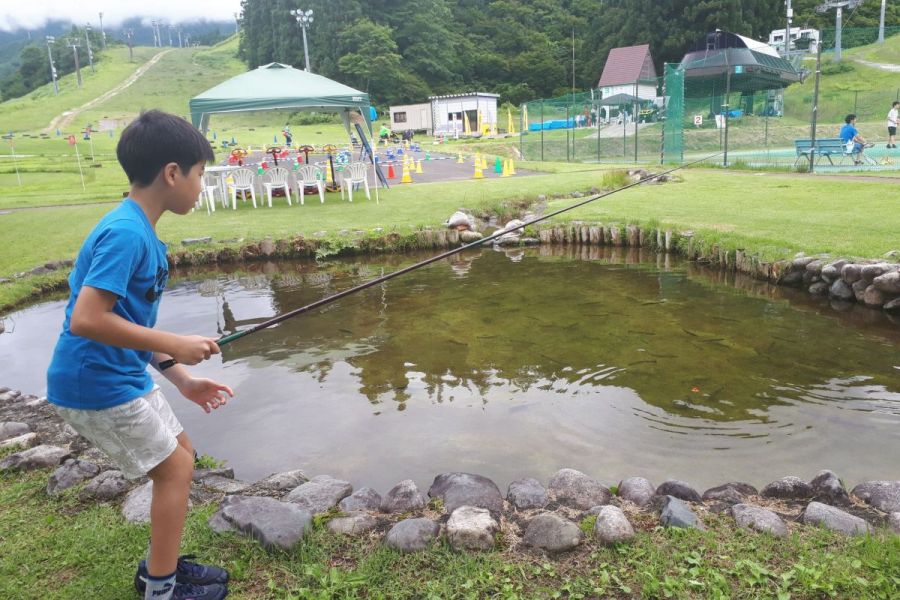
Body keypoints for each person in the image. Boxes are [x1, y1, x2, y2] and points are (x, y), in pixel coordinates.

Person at [46, 110, 232, 600]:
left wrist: (182, 377)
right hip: (95, 383)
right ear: (173, 173)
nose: (200, 186)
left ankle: (161, 565)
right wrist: (174, 341)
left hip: (122, 375)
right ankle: (162, 588)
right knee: (174, 469)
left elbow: (129, 324)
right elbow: (87, 318)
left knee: (183, 454)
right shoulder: (127, 233)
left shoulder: (141, 230)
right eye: (200, 175)